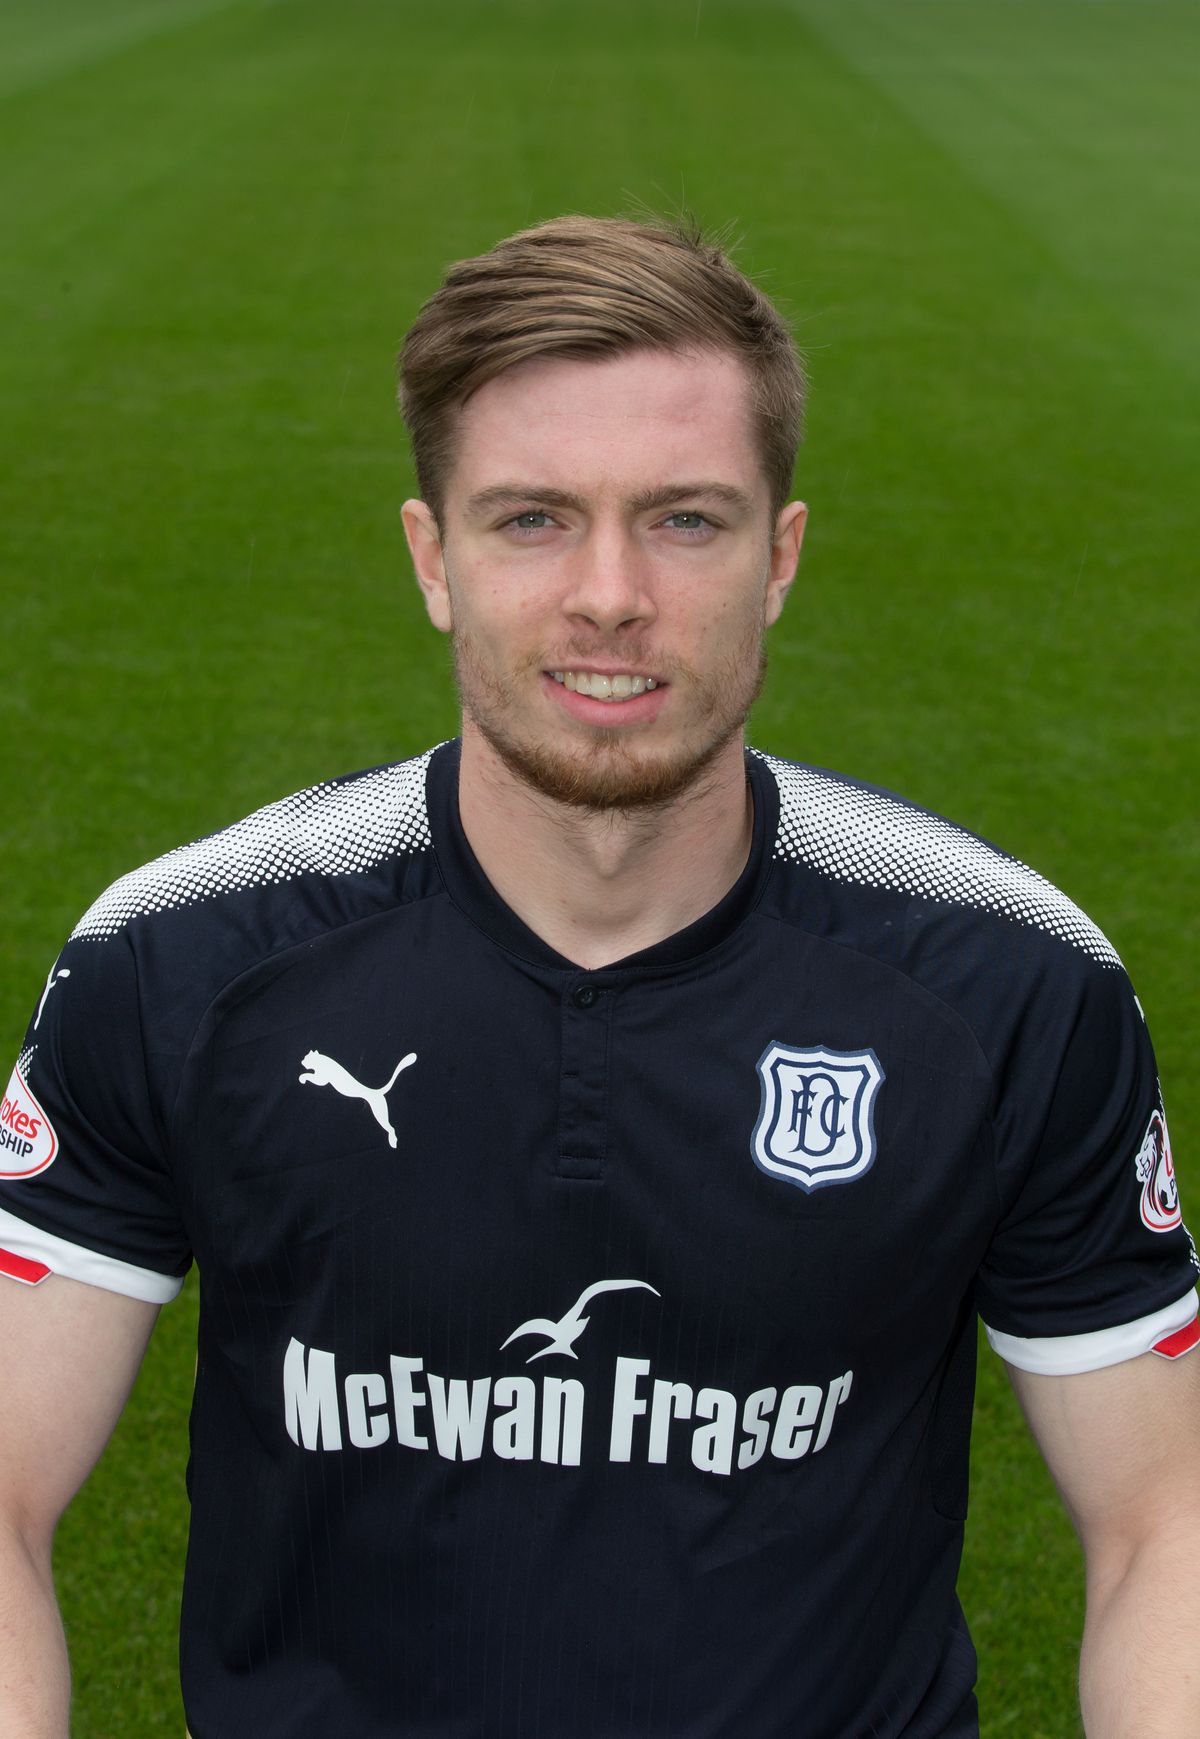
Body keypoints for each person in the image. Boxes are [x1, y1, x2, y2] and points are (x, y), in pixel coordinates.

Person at [0, 215, 1197, 1739]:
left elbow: (1165, 1523)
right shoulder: (182, 957)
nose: (611, 595)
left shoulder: (1006, 980)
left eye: (686, 521)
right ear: (434, 560)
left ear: (782, 557)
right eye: (532, 520)